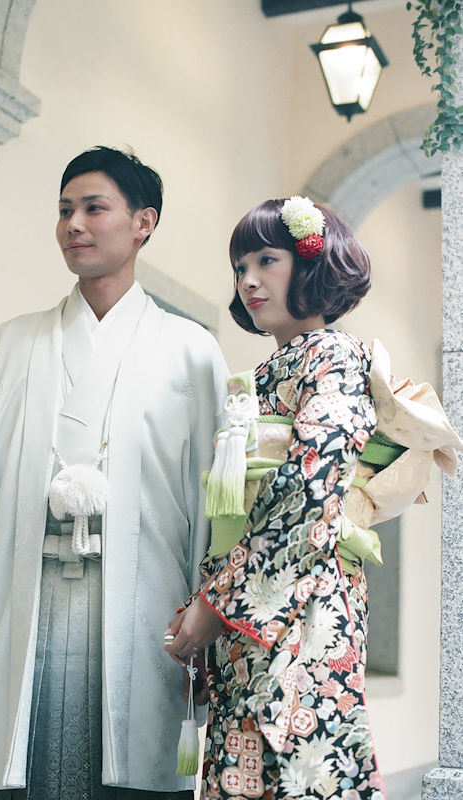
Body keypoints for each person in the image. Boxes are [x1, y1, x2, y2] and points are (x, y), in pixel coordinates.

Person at [0, 146, 229, 799]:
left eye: (93, 208)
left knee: (133, 764)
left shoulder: (191, 352)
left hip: (148, 612)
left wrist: (208, 622)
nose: (73, 224)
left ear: (143, 223)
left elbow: (218, 505)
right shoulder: (10, 345)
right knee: (18, 764)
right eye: (63, 210)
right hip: (20, 601)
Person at [165, 197, 463, 800]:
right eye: (239, 266)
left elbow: (310, 485)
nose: (248, 279)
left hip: (307, 594)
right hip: (252, 596)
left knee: (301, 763)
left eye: (265, 260)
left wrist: (216, 603)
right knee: (251, 763)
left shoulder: (336, 357)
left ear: (311, 263)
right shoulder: (268, 372)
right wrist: (211, 601)